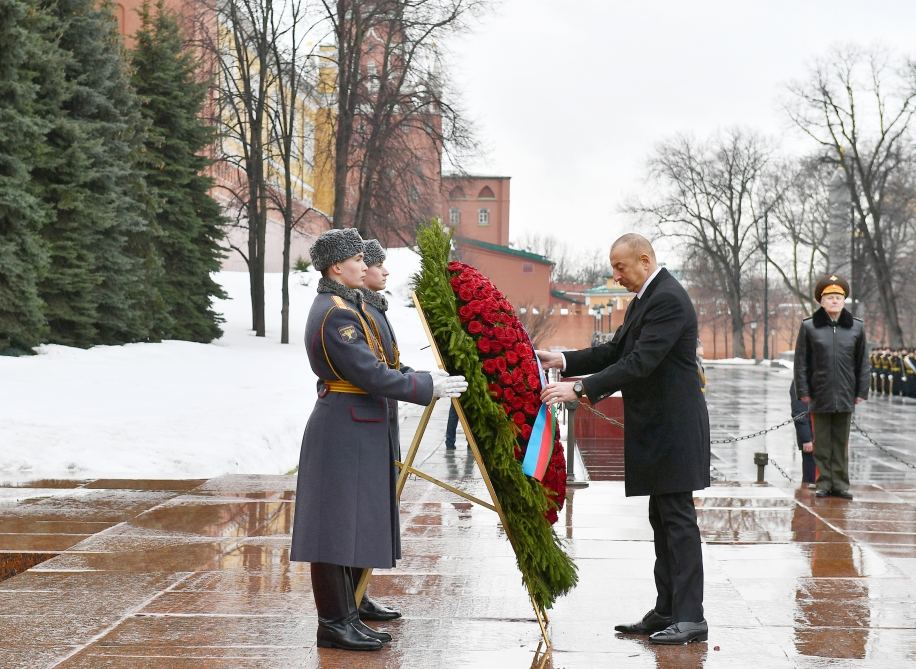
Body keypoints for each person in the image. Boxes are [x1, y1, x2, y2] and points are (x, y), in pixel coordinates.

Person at [290, 228, 467, 651]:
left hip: (356, 424)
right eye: (359, 259)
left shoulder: (346, 306)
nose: (367, 266)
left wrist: (421, 378)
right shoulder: (336, 314)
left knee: (348, 522)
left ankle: (347, 613)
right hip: (343, 427)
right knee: (334, 528)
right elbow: (369, 373)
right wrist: (425, 386)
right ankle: (334, 622)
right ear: (338, 267)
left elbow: (380, 364)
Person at [538, 233, 711, 645]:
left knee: (678, 521)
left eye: (621, 267)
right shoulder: (644, 300)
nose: (615, 276)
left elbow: (641, 362)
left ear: (645, 260)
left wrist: (580, 390)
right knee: (662, 519)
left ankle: (691, 616)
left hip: (675, 427)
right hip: (658, 426)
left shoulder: (667, 298)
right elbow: (616, 350)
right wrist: (564, 361)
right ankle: (667, 609)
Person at [793, 273, 868, 500]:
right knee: (822, 443)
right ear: (821, 301)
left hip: (845, 393)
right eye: (830, 297)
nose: (834, 301)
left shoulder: (856, 328)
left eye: (838, 296)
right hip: (820, 392)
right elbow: (801, 363)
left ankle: (840, 484)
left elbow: (863, 362)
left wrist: (861, 391)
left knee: (841, 442)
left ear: (844, 300)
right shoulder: (809, 327)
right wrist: (803, 392)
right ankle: (824, 482)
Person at [789, 381, 816, 485]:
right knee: (810, 481)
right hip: (811, 438)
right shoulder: (800, 381)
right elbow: (799, 412)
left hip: (823, 436)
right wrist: (806, 439)